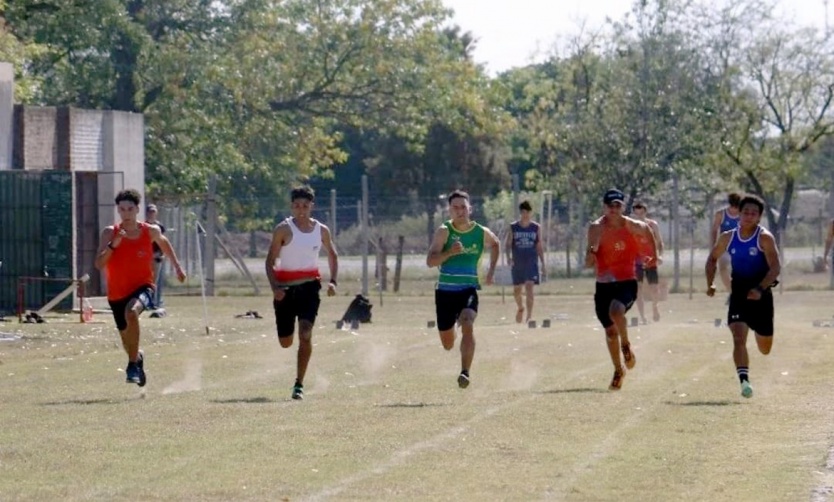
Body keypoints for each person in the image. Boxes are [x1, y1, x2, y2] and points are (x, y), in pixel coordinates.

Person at [94, 189, 186, 387]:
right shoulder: (110, 232)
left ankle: (132, 365)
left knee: (132, 312)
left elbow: (164, 242)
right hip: (116, 293)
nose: (126, 213)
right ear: (118, 210)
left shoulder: (149, 231)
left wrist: (177, 266)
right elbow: (99, 264)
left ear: (137, 209)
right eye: (122, 209)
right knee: (128, 343)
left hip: (143, 286)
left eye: (130, 209)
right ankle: (137, 358)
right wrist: (113, 245)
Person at [265, 186, 338, 401]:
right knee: (285, 342)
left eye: (305, 206)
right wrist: (275, 288)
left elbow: (333, 255)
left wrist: (333, 281)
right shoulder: (283, 230)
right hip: (285, 291)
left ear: (312, 207)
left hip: (309, 288)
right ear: (291, 207)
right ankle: (286, 335)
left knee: (305, 333)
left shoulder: (321, 230)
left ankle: (299, 384)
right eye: (297, 206)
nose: (301, 210)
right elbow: (270, 261)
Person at [706, 194, 780, 399]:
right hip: (738, 291)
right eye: (745, 212)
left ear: (759, 217)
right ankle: (744, 381)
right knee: (738, 337)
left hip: (761, 292)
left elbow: (775, 267)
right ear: (739, 213)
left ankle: (758, 328)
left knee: (764, 348)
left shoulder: (764, 237)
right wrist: (710, 283)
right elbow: (712, 259)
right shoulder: (727, 237)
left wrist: (761, 288)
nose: (748, 216)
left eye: (753, 213)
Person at [585, 188, 658, 391]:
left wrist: (653, 254)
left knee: (616, 310)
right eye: (610, 205)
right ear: (604, 207)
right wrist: (593, 250)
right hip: (603, 283)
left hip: (627, 281)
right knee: (609, 331)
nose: (614, 209)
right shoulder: (595, 228)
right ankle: (618, 369)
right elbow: (588, 261)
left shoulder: (632, 225)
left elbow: (647, 230)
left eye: (618, 205)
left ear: (623, 207)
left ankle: (626, 345)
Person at [426, 189, 500, 389]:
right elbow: (430, 261)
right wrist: (450, 252)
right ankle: (454, 327)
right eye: (455, 208)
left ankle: (465, 372)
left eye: (463, 207)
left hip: (468, 289)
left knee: (468, 321)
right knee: (448, 344)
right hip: (445, 292)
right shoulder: (444, 231)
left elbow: (496, 244)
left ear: (470, 209)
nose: (460, 211)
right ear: (449, 210)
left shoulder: (479, 232)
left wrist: (491, 272)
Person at [505, 200, 546, 323]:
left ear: (530, 213)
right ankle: (520, 307)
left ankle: (529, 316)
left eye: (527, 212)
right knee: (517, 290)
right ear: (520, 213)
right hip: (517, 262)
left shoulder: (536, 227)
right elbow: (508, 244)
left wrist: (543, 263)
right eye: (523, 212)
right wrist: (508, 257)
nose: (525, 214)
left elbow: (539, 246)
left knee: (529, 287)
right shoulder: (513, 227)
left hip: (531, 262)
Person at [631, 200, 664, 323]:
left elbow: (660, 242)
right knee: (638, 288)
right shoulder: (630, 226)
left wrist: (660, 256)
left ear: (645, 212)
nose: (639, 215)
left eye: (642, 212)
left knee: (654, 288)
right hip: (636, 261)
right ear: (634, 212)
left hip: (651, 260)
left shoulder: (652, 225)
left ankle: (655, 308)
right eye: (637, 212)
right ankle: (642, 317)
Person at [710, 192, 742, 292]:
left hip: (739, 246)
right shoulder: (721, 214)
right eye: (733, 207)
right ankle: (732, 292)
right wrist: (714, 246)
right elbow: (714, 230)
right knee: (723, 268)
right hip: (725, 245)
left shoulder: (743, 215)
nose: (734, 210)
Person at [145, 204, 167, 310]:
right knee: (146, 281)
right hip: (145, 258)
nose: (151, 214)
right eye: (150, 212)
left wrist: (162, 253)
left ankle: (155, 302)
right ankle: (146, 302)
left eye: (153, 212)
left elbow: (163, 241)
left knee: (155, 281)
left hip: (157, 257)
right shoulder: (143, 226)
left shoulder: (160, 226)